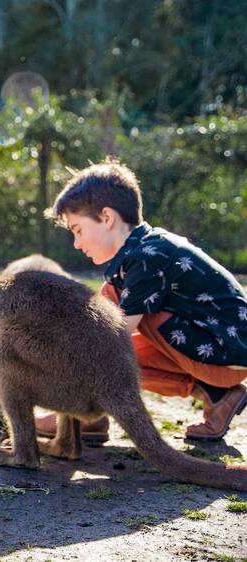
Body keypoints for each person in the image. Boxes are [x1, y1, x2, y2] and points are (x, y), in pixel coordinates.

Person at [36, 157, 247, 442]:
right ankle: (220, 397)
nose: (77, 243)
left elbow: (110, 336)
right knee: (107, 315)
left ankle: (81, 415)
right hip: (213, 351)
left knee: (106, 339)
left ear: (107, 218)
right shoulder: (135, 256)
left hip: (225, 352)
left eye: (78, 230)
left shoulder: (148, 257)